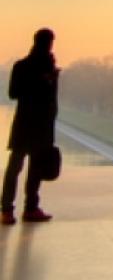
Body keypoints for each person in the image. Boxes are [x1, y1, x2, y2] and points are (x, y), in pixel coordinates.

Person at [2, 28, 59, 225]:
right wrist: (43, 81)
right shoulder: (39, 68)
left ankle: (9, 209)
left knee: (20, 168)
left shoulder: (22, 66)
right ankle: (27, 208)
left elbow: (13, 93)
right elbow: (15, 93)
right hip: (36, 126)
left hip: (26, 124)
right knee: (25, 169)